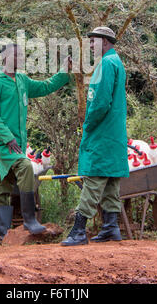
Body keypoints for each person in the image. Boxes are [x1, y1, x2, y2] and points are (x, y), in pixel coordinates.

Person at [0, 43, 70, 243]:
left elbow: (45, 86)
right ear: (4, 58)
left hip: (17, 143)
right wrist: (7, 137)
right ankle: (30, 219)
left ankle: (0, 235)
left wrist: (63, 73)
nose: (20, 58)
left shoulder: (21, 80)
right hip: (4, 143)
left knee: (2, 183)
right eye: (16, 55)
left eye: (21, 55)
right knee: (25, 167)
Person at [61, 26, 129, 246]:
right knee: (110, 182)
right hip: (114, 134)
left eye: (94, 41)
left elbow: (100, 102)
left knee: (94, 179)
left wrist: (87, 125)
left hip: (101, 133)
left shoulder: (106, 64)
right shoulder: (115, 62)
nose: (91, 45)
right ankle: (111, 228)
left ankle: (78, 231)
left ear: (105, 42)